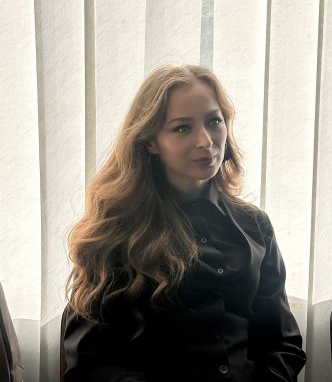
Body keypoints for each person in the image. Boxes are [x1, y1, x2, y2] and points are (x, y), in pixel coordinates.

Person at [62, 63, 307, 382]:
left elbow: (282, 342)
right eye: (182, 128)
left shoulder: (255, 225)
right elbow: (93, 361)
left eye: (214, 121)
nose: (205, 141)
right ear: (150, 142)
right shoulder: (115, 230)